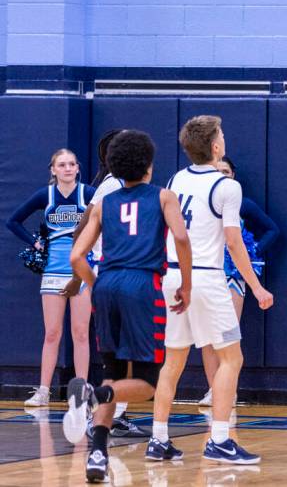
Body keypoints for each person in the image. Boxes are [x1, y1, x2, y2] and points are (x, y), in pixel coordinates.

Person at [61, 130, 193, 483]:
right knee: (147, 383)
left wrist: (95, 283)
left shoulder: (105, 203)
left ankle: (97, 455)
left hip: (106, 284)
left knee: (113, 372)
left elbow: (76, 256)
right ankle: (93, 395)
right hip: (142, 285)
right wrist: (186, 285)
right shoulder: (164, 197)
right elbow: (180, 237)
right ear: (149, 165)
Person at [147, 115, 273, 465]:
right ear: (215, 146)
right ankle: (219, 439)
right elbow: (234, 242)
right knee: (232, 358)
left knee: (173, 362)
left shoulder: (174, 179)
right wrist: (257, 286)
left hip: (173, 277)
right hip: (206, 278)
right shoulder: (226, 186)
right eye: (222, 135)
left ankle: (158, 439)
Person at [63, 129, 149, 438]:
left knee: (123, 356)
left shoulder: (119, 185)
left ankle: (110, 415)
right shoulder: (114, 184)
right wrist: (79, 279)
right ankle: (99, 409)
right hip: (115, 275)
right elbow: (82, 229)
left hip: (111, 276)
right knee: (128, 359)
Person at [6, 148, 95, 407]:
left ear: (78, 168)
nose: (67, 168)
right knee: (52, 333)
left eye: (71, 164)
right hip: (53, 272)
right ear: (53, 170)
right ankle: (44, 390)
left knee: (80, 333)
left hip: (81, 272)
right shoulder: (45, 195)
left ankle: (82, 392)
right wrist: (34, 242)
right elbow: (13, 221)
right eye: (62, 165)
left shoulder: (87, 194)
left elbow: (104, 222)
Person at [197, 155, 280, 407]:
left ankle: (228, 390)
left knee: (227, 334)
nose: (222, 175)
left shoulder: (242, 204)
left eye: (226, 171)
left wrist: (252, 250)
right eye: (217, 171)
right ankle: (214, 390)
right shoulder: (202, 202)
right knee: (207, 337)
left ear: (233, 176)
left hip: (233, 274)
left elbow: (272, 230)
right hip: (206, 271)